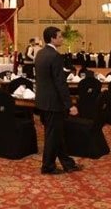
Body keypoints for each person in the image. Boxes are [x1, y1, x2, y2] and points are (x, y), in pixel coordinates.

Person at [34, 26, 81, 175]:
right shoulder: (55, 56)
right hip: (54, 102)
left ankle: (68, 164)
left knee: (57, 134)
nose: (62, 39)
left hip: (43, 100)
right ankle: (47, 166)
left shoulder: (40, 53)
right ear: (52, 38)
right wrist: (69, 105)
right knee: (52, 136)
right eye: (60, 36)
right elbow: (60, 83)